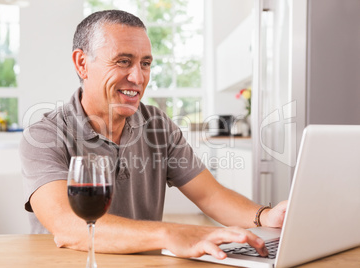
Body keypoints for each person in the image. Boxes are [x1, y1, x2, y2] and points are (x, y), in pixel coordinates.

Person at [20, 9, 287, 260]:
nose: (138, 77)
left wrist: (264, 216)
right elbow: (69, 226)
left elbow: (210, 195)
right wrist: (170, 233)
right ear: (82, 63)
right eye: (123, 61)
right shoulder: (45, 135)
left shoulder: (157, 124)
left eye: (145, 63)